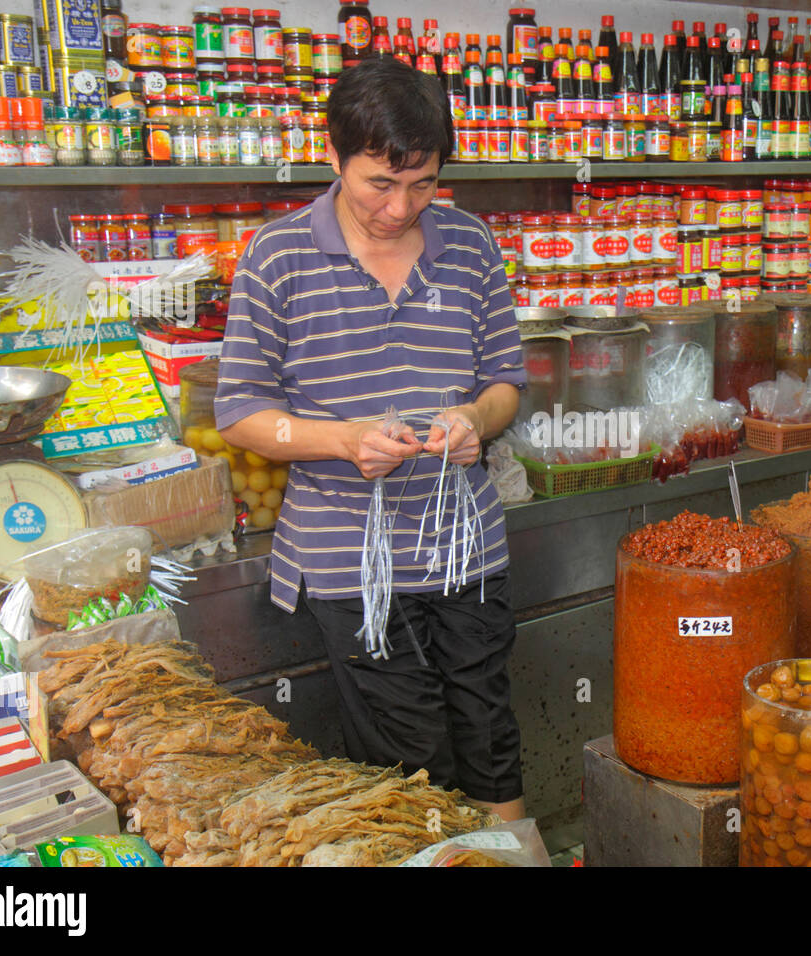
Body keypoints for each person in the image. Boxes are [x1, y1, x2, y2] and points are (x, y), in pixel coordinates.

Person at [213, 57, 527, 822]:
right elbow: (241, 412)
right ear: (334, 155)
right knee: (410, 759)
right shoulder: (277, 255)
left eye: (423, 184)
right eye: (379, 184)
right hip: (352, 562)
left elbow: (505, 383)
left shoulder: (471, 244)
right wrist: (343, 438)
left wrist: (475, 422)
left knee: (491, 739)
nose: (399, 207)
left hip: (465, 548)